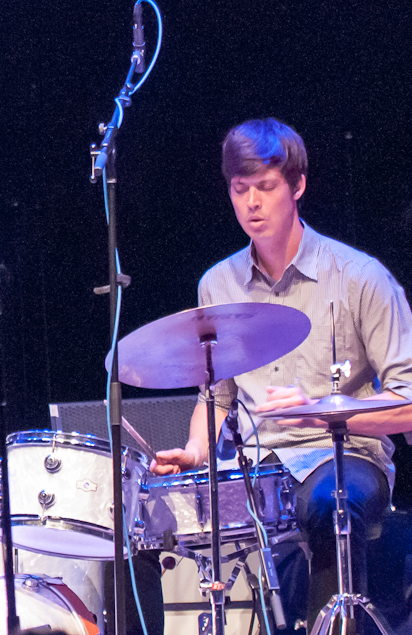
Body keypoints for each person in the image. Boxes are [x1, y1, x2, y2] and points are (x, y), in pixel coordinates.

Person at [146, 118, 412, 631]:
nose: (251, 203)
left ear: (298, 185)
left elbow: (408, 402)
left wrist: (319, 416)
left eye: (265, 188)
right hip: (256, 466)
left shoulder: (359, 276)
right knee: (147, 516)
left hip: (344, 457)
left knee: (332, 503)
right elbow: (216, 395)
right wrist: (196, 452)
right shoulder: (217, 283)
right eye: (239, 189)